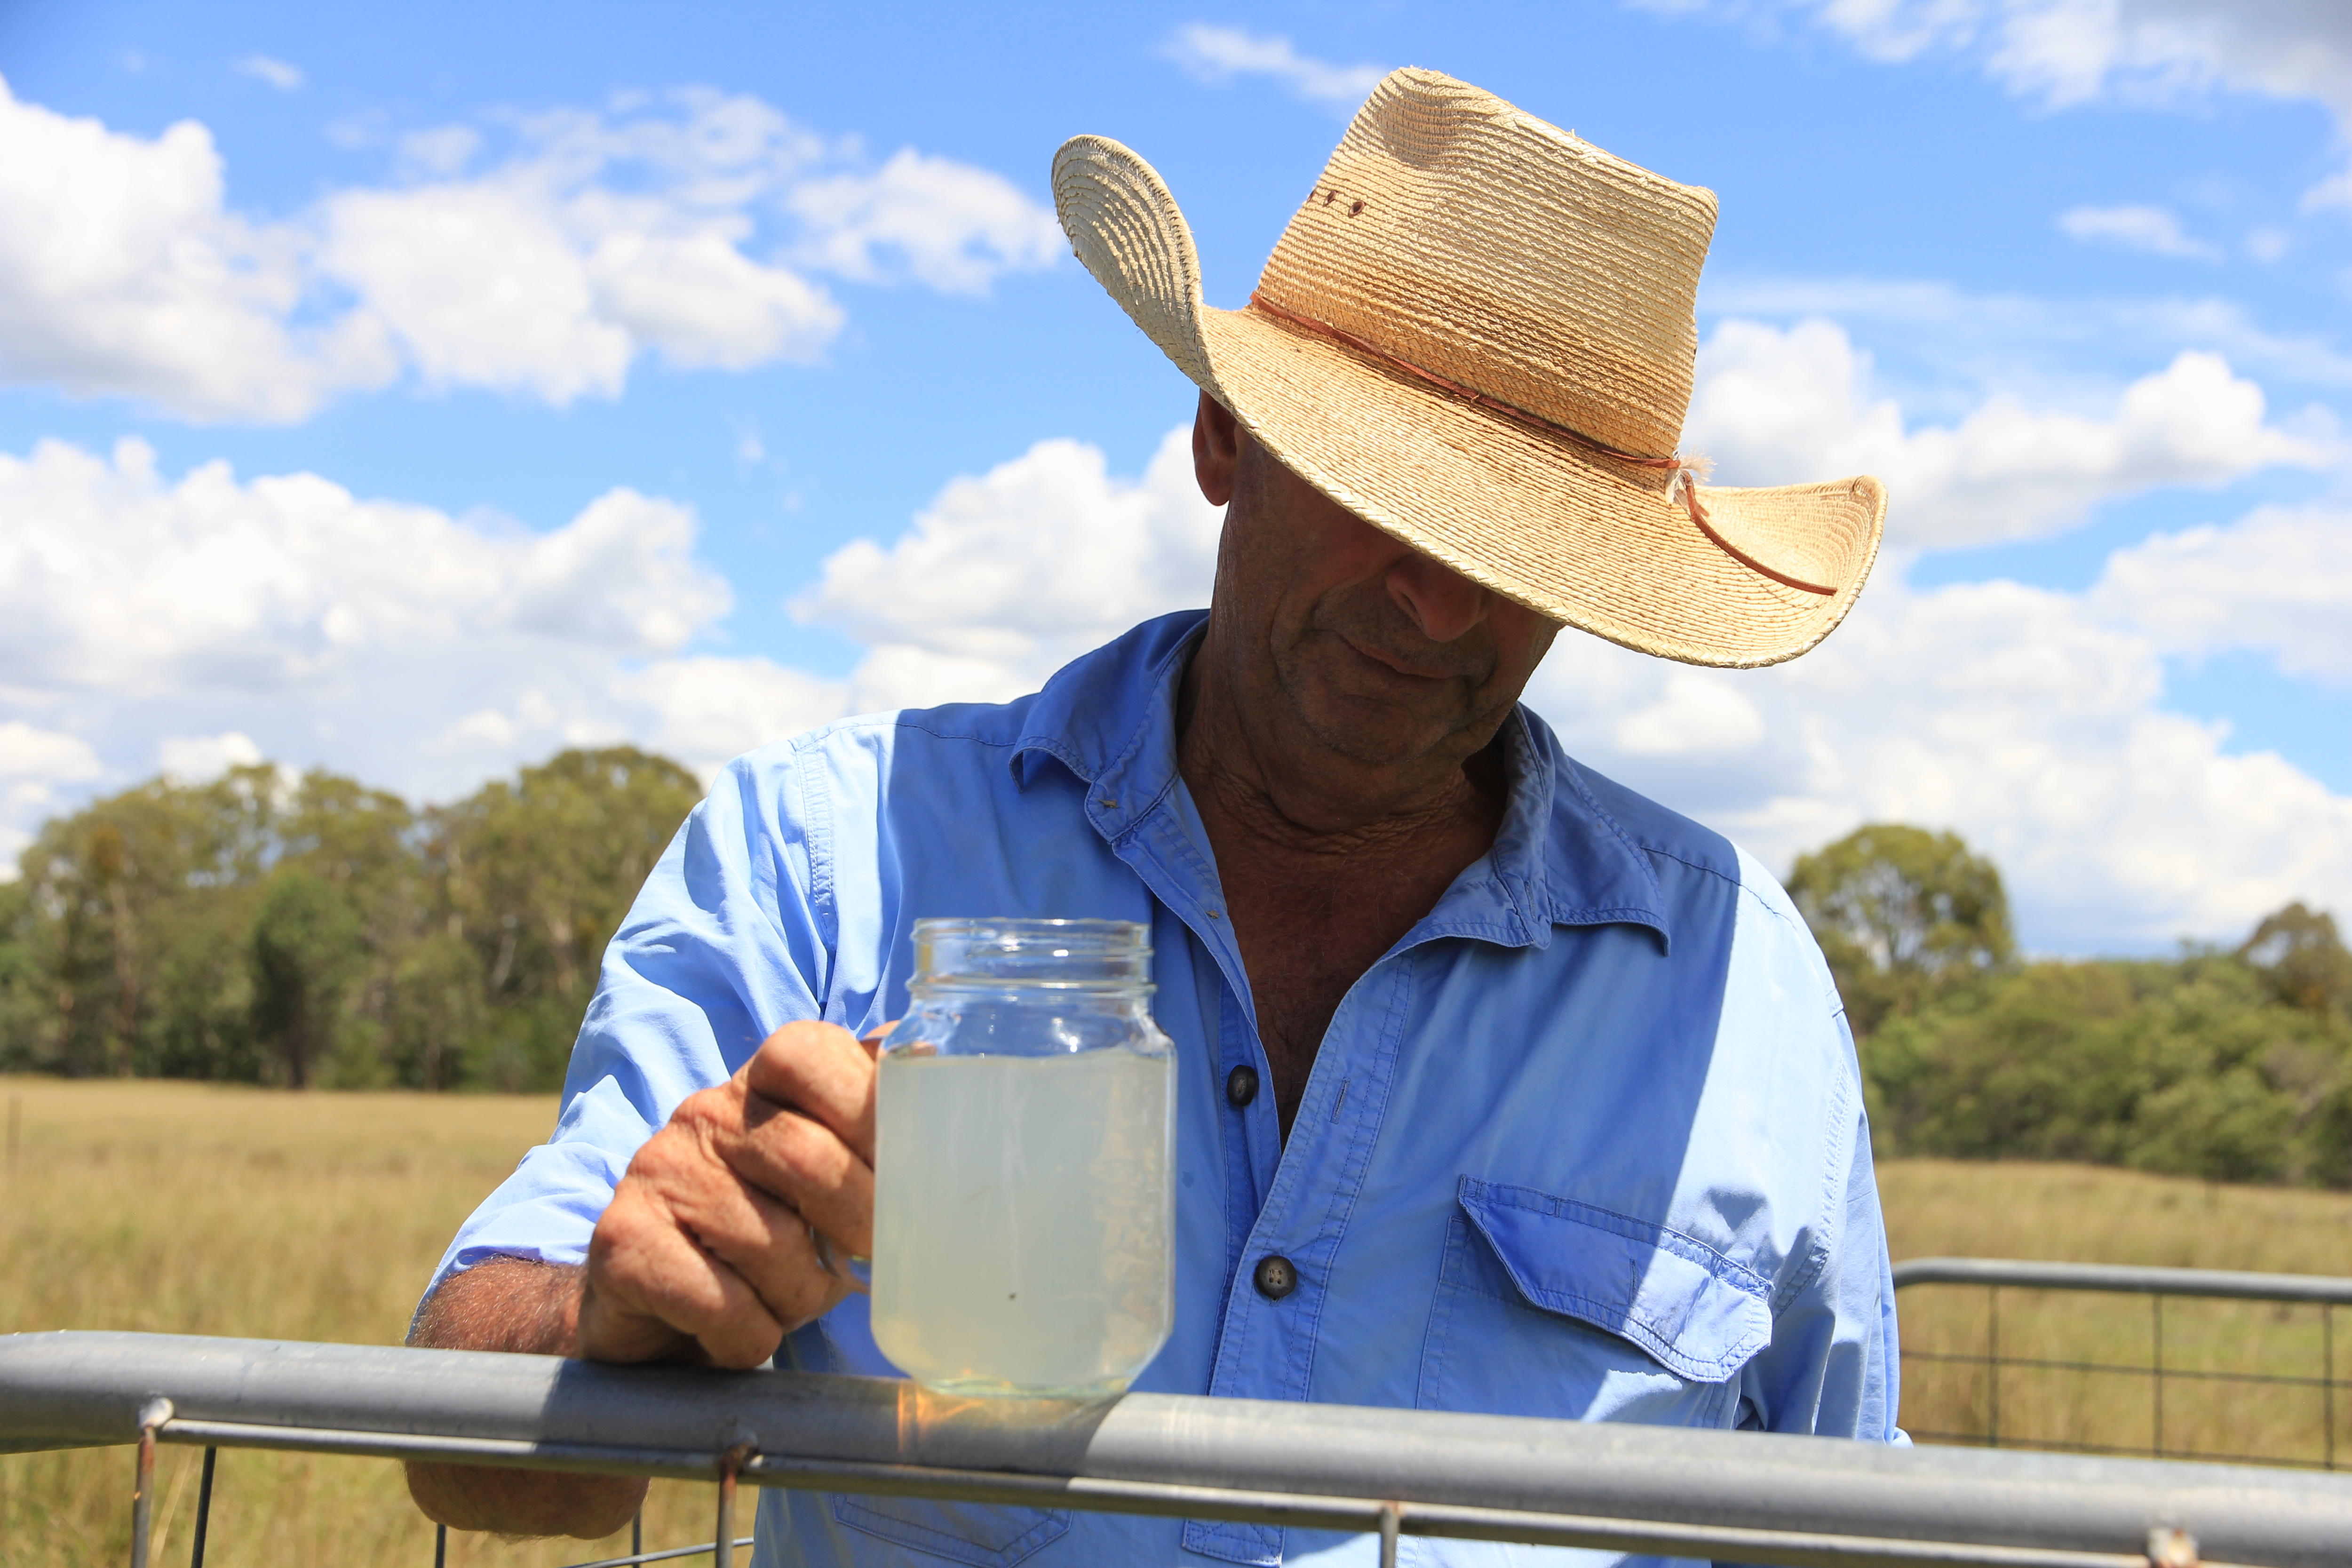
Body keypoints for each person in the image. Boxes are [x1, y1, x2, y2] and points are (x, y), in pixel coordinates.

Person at [407, 67, 1899, 1567]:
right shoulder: (833, 854)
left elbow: (1853, 1528)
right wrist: (619, 1317)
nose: (1439, 600)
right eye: (1385, 492)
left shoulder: (1730, 978)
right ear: (1224, 442)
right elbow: (477, 1463)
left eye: (1526, 552)